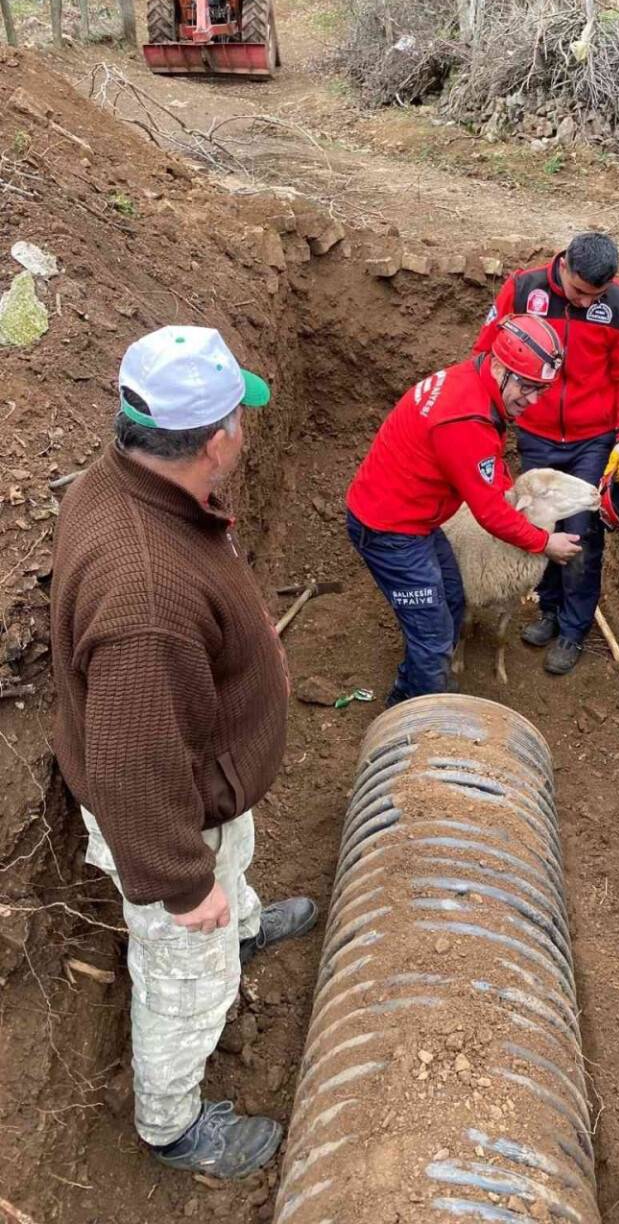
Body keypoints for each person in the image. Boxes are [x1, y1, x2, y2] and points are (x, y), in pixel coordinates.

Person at [50, 326, 318, 1179]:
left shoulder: (130, 481)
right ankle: (172, 1124)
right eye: (239, 415)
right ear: (216, 440)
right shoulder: (147, 597)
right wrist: (180, 883)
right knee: (182, 976)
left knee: (228, 880)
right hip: (172, 822)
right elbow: (133, 764)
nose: (245, 427)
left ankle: (236, 928)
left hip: (208, 783)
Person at [346, 313, 581, 704]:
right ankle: (416, 716)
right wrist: (543, 542)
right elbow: (489, 513)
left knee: (453, 598)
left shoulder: (474, 383)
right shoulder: (466, 418)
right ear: (502, 368)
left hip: (413, 518)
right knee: (433, 635)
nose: (534, 400)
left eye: (542, 389)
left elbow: (489, 466)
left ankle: (418, 684)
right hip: (389, 530)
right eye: (527, 386)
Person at [473, 233, 619, 676]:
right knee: (540, 524)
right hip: (536, 431)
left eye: (597, 296)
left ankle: (573, 628)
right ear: (565, 266)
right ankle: (549, 610)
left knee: (582, 535)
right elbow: (485, 353)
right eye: (579, 293)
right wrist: (485, 420)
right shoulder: (523, 289)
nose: (588, 302)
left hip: (594, 438)